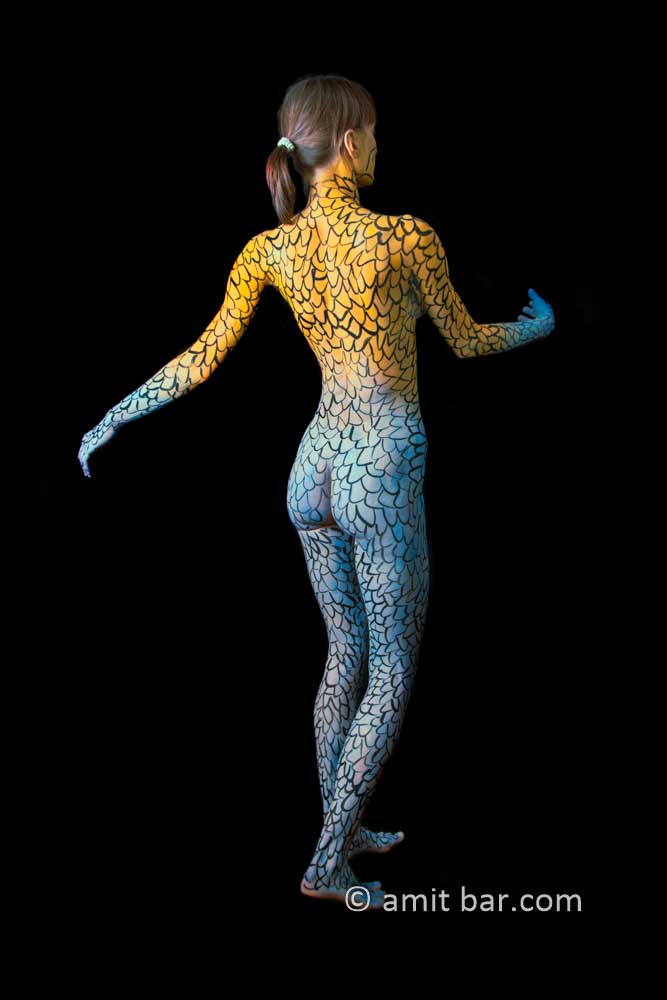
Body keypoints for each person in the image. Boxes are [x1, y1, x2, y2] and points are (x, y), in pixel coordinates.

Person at [78, 73, 555, 909]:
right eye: (372, 131)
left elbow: (202, 354)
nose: (376, 146)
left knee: (343, 657)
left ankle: (346, 820)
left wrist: (113, 415)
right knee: (392, 668)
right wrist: (537, 327)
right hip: (379, 460)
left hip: (313, 465)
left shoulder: (268, 249)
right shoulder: (405, 235)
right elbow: (466, 341)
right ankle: (327, 862)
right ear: (348, 140)